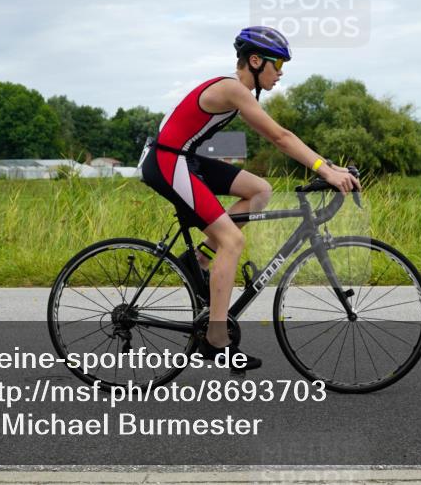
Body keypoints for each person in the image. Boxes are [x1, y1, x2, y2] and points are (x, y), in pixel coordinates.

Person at [139, 26, 361, 371]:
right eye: (278, 64)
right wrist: (325, 172)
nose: (281, 73)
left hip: (183, 158)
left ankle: (197, 261)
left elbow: (287, 139)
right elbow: (281, 137)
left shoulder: (236, 90)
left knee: (260, 190)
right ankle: (215, 340)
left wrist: (327, 165)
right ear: (255, 61)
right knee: (232, 240)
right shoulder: (233, 89)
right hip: (168, 161)